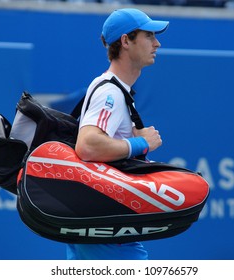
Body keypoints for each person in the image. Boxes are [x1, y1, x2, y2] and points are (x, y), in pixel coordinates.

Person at [66, 8, 169, 260]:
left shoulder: (116, 90)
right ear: (125, 41)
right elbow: (88, 146)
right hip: (107, 233)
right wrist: (141, 143)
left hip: (101, 226)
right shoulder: (110, 92)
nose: (157, 43)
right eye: (148, 35)